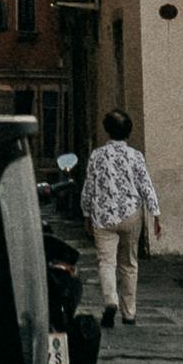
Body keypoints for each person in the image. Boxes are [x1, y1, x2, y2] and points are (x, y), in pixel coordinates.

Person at [79, 108, 160, 327]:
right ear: (128, 132)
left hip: (103, 215)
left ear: (107, 130)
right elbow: (146, 185)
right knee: (129, 263)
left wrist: (86, 213)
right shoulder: (135, 156)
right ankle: (129, 312)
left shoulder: (97, 156)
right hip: (131, 213)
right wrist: (155, 213)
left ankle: (110, 300)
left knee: (106, 262)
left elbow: (89, 187)